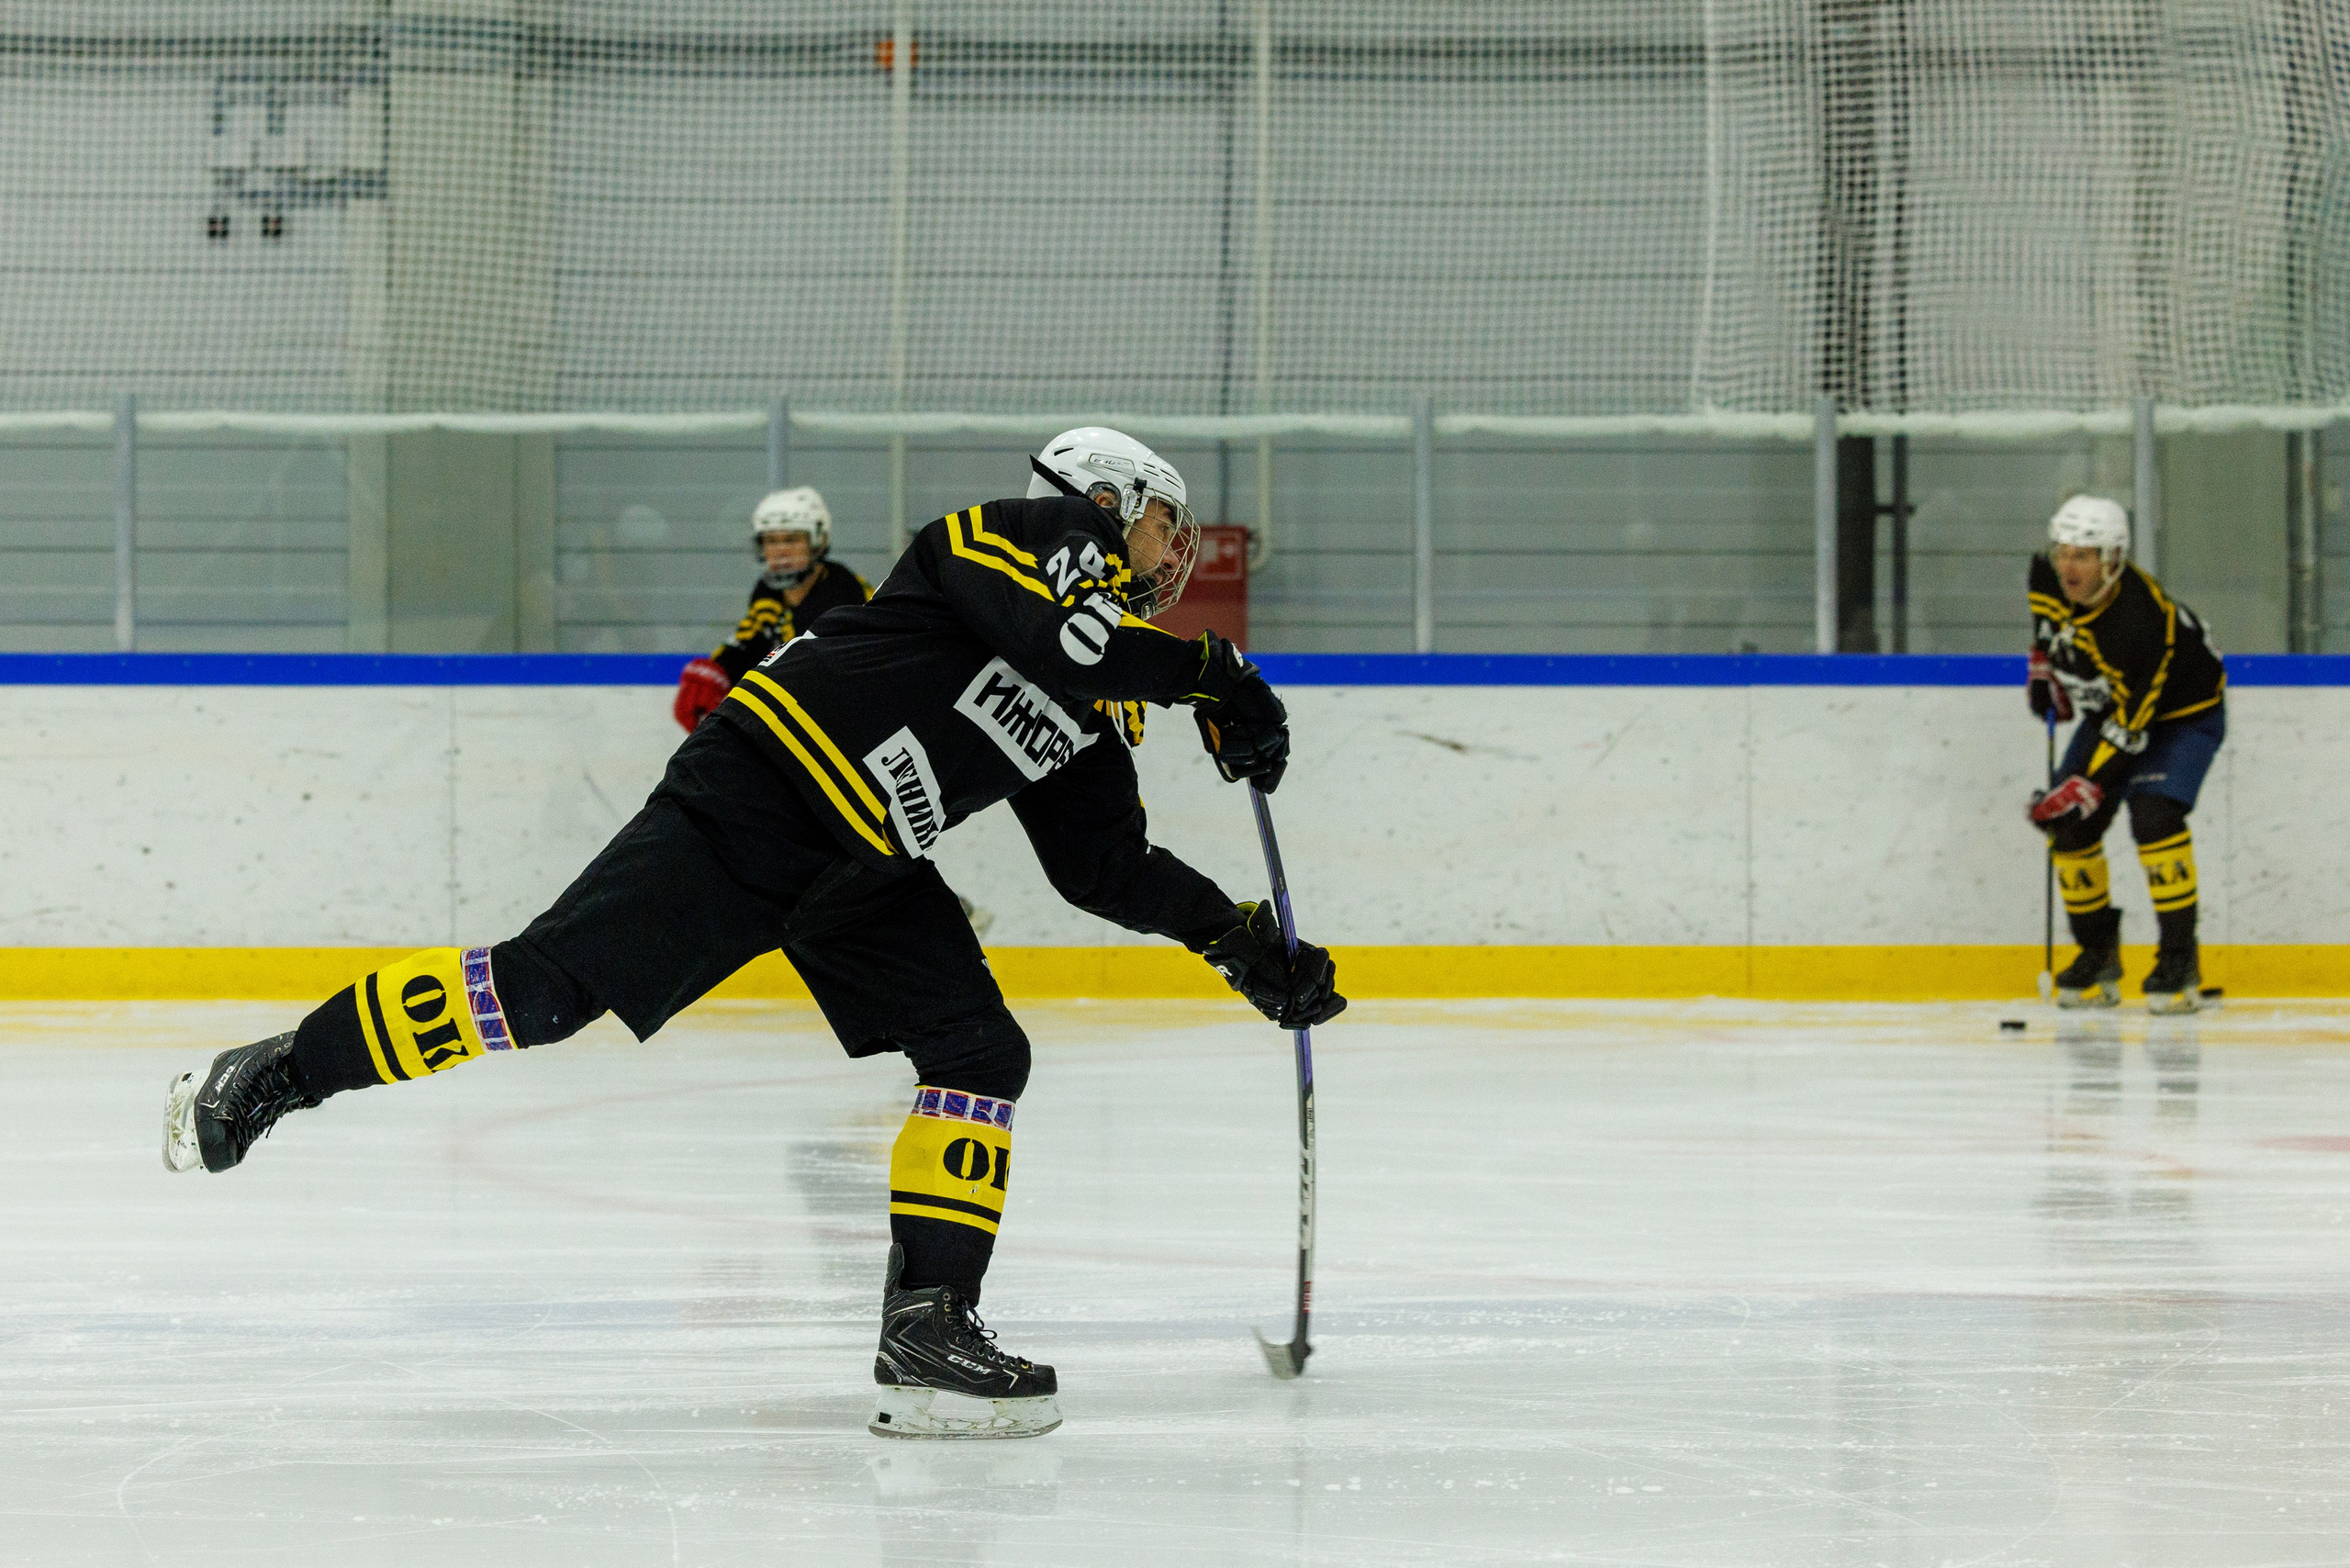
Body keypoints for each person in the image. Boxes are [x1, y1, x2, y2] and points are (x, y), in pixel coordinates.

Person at [161, 427, 1347, 1440]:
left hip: (866, 863)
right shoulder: (1017, 537)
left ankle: (927, 1332)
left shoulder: (1105, 682)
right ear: (1106, 498)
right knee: (546, 991)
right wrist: (1217, 674)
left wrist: (1240, 944)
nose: (1175, 554)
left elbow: (1103, 865)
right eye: (1164, 524)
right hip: (763, 793)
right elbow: (1062, 641)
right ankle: (280, 1071)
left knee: (981, 1051)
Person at [2026, 495, 2225, 1013]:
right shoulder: (2047, 576)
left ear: (2112, 560)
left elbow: (2132, 733)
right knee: (2069, 827)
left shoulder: (2140, 622)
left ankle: (2179, 959)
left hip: (2182, 718)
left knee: (2154, 816)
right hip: (2113, 712)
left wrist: (2085, 785)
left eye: (2083, 556)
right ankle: (2097, 953)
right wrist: (2045, 669)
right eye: (2062, 551)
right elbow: (2047, 623)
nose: (2067, 566)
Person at [673, 487, 871, 731]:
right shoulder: (767, 591)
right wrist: (717, 671)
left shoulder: (845, 592)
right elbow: (752, 641)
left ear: (818, 542)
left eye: (792, 540)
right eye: (771, 541)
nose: (780, 551)